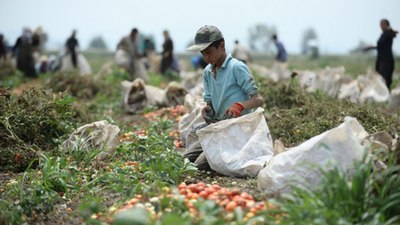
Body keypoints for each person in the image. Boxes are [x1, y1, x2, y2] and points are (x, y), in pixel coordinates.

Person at [184, 25, 264, 170]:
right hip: (218, 127)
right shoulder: (208, 72)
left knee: (199, 166)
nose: (206, 57)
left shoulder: (237, 68)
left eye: (209, 52)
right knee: (185, 160)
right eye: (203, 54)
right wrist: (208, 108)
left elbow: (258, 100)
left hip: (237, 130)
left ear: (222, 46)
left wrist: (240, 105)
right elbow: (209, 100)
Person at [365, 19, 398, 90]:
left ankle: (385, 95)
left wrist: (370, 47)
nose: (381, 26)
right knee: (383, 78)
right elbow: (380, 46)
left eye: (383, 24)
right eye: (381, 24)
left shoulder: (387, 34)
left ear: (387, 25)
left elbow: (380, 45)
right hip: (383, 60)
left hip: (385, 61)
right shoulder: (385, 34)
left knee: (384, 79)